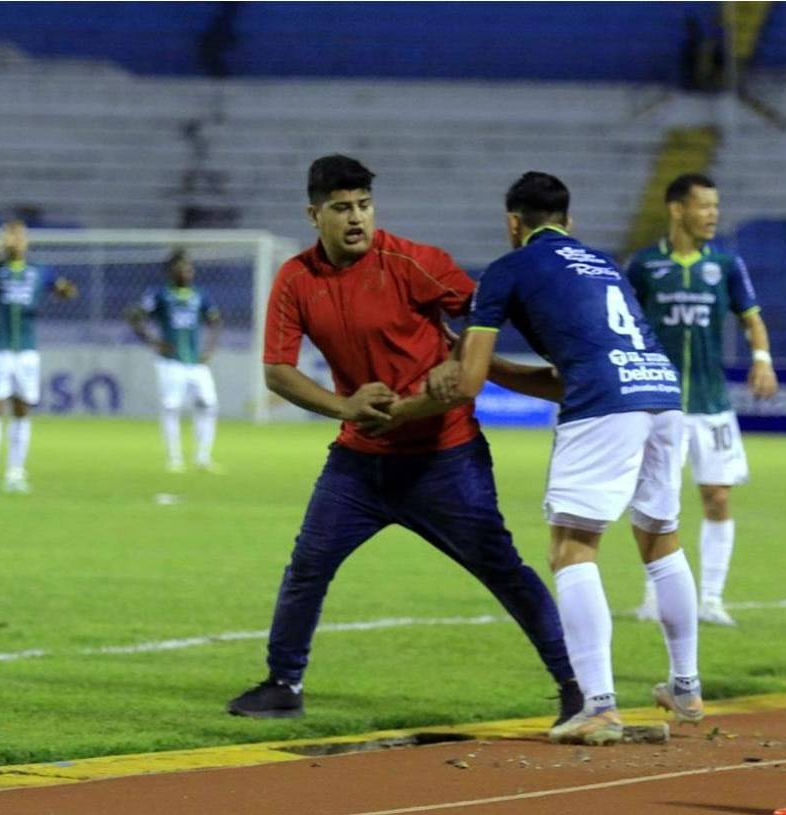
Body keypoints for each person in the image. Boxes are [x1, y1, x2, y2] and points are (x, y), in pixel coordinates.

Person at [225, 155, 579, 724]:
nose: (356, 218)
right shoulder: (295, 279)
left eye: (364, 205)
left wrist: (461, 358)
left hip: (445, 458)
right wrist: (345, 407)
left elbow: (487, 313)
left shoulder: (416, 262)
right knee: (308, 565)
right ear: (314, 214)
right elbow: (277, 372)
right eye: (341, 208)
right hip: (359, 465)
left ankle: (575, 684)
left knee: (502, 569)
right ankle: (283, 684)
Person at [444, 171, 702, 746]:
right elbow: (567, 374)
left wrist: (453, 351)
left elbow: (468, 381)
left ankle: (599, 705)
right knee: (661, 536)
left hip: (606, 403)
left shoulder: (507, 270)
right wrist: (495, 369)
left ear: (514, 223)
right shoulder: (603, 263)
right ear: (568, 221)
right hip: (660, 392)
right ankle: (685, 686)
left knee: (571, 547)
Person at [625, 173, 777, 627]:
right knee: (656, 500)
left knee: (717, 498)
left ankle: (710, 598)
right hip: (659, 403)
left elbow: (752, 319)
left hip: (711, 403)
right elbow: (625, 322)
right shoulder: (645, 265)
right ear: (677, 209)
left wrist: (762, 359)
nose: (713, 214)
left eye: (716, 206)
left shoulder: (726, 265)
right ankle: (653, 595)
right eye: (704, 206)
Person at [0, 220, 78, 494]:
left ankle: (16, 472)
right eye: (9, 235)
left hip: (27, 351)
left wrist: (64, 290)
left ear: (26, 241)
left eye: (19, 235)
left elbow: (67, 291)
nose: (15, 240)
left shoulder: (40, 271)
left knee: (22, 409)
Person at [127, 249, 224, 474]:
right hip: (170, 362)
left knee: (208, 404)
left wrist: (210, 348)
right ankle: (174, 459)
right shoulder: (159, 294)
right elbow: (135, 316)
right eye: (182, 267)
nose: (187, 271)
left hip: (196, 362)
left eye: (189, 267)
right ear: (171, 271)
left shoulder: (201, 294)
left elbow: (215, 321)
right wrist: (153, 341)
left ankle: (203, 457)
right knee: (171, 408)